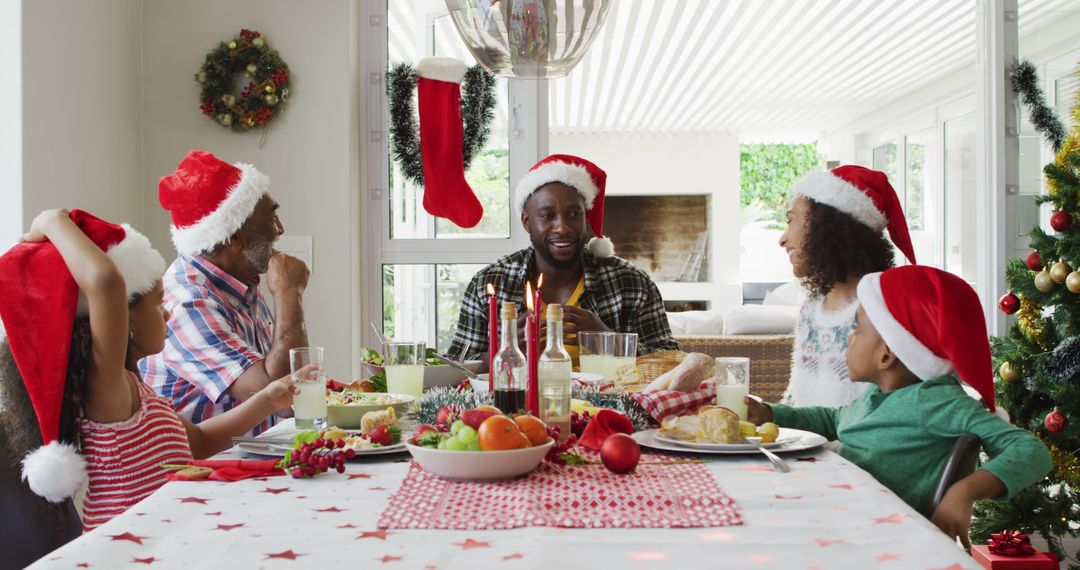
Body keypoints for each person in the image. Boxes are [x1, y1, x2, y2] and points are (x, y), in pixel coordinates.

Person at [0, 209, 303, 537]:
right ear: (124, 319)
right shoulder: (108, 393)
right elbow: (106, 282)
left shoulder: (134, 386)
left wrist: (268, 401)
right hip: (129, 548)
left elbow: (198, 442)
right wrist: (51, 221)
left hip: (167, 535)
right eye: (159, 304)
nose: (170, 313)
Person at [745, 265, 1052, 545]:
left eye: (858, 330)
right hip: (843, 514)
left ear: (886, 355)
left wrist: (965, 491)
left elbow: (1031, 451)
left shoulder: (937, 401)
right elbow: (834, 419)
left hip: (876, 537)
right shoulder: (878, 395)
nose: (848, 339)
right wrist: (771, 413)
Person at [447, 154, 678, 365]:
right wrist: (506, 352)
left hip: (607, 409)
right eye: (547, 216)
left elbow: (671, 362)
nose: (562, 228)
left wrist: (607, 341)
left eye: (573, 215)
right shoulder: (488, 285)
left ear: (586, 218)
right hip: (514, 410)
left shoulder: (632, 283)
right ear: (526, 222)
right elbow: (456, 367)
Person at [140, 150, 310, 435]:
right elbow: (283, 397)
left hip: (248, 463)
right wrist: (289, 293)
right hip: (200, 475)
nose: (280, 229)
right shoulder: (188, 302)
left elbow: (295, 397)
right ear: (234, 238)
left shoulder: (240, 279)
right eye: (272, 218)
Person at [778, 165, 916, 408]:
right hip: (805, 444)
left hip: (860, 445)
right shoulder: (812, 307)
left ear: (826, 228)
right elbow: (796, 397)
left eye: (791, 221)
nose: (782, 239)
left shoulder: (884, 310)